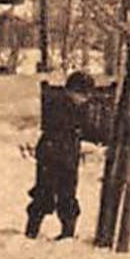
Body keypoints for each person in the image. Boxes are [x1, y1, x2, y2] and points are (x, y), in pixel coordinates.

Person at [26, 70, 93, 240]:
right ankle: (33, 230)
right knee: (45, 193)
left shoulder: (77, 108)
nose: (85, 99)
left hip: (67, 158)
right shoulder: (59, 105)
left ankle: (66, 231)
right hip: (52, 157)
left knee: (66, 195)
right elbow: (58, 129)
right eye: (83, 95)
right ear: (72, 91)